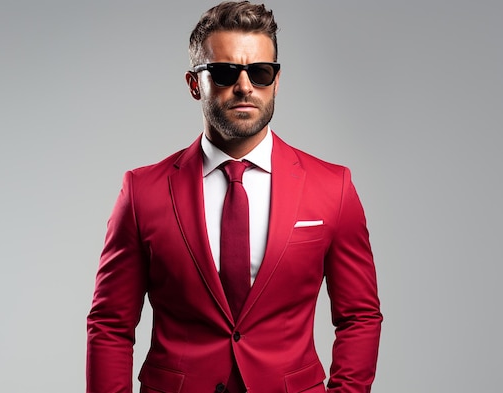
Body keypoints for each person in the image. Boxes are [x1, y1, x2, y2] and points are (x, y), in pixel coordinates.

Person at [86, 1, 382, 392]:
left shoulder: (333, 187)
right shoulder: (142, 192)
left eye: (260, 72)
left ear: (276, 82)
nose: (245, 86)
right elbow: (110, 324)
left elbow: (359, 315)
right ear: (195, 84)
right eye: (225, 72)